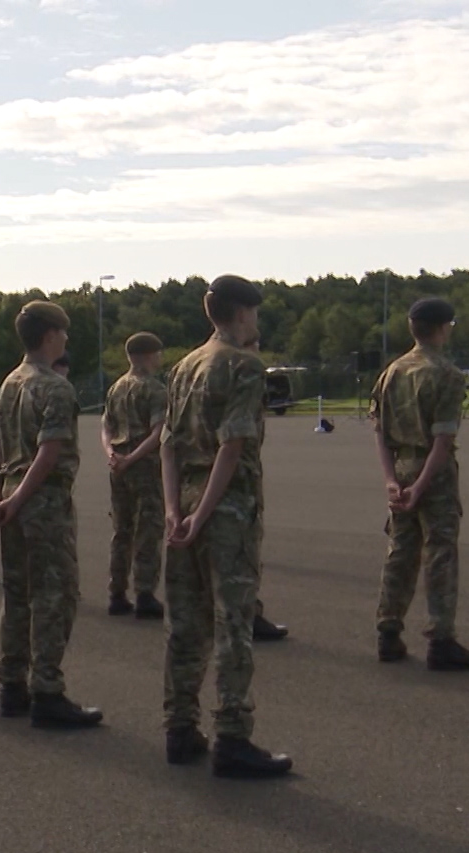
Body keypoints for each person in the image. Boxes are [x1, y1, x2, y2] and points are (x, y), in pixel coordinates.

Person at [159, 276, 292, 777]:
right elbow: (233, 446)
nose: (255, 323)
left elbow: (169, 443)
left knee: (185, 624)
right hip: (225, 508)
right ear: (242, 314)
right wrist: (206, 512)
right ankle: (233, 735)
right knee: (232, 623)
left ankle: (180, 726)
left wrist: (176, 511)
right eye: (254, 314)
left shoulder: (183, 367)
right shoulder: (243, 365)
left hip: (186, 501)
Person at [0, 302, 100, 728]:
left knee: (17, 594)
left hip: (12, 497)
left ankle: (11, 683)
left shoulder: (8, 385)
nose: (66, 340)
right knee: (55, 595)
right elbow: (49, 453)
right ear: (50, 334)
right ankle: (47, 690)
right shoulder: (54, 387)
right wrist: (17, 500)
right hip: (42, 502)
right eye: (64, 333)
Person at [370, 299, 469, 669]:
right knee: (439, 552)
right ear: (443, 328)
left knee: (401, 551)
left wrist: (392, 480)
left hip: (400, 466)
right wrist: (422, 485)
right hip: (430, 473)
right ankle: (441, 638)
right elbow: (442, 439)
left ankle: (388, 631)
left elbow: (381, 432)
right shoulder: (446, 374)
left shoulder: (392, 372)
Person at [102, 331, 168, 618]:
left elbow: (106, 428)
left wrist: (113, 455)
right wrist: (131, 459)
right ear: (149, 355)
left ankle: (117, 591)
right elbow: (158, 433)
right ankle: (144, 592)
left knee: (122, 530)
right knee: (148, 530)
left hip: (118, 466)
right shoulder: (154, 389)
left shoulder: (116, 388)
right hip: (144, 466)